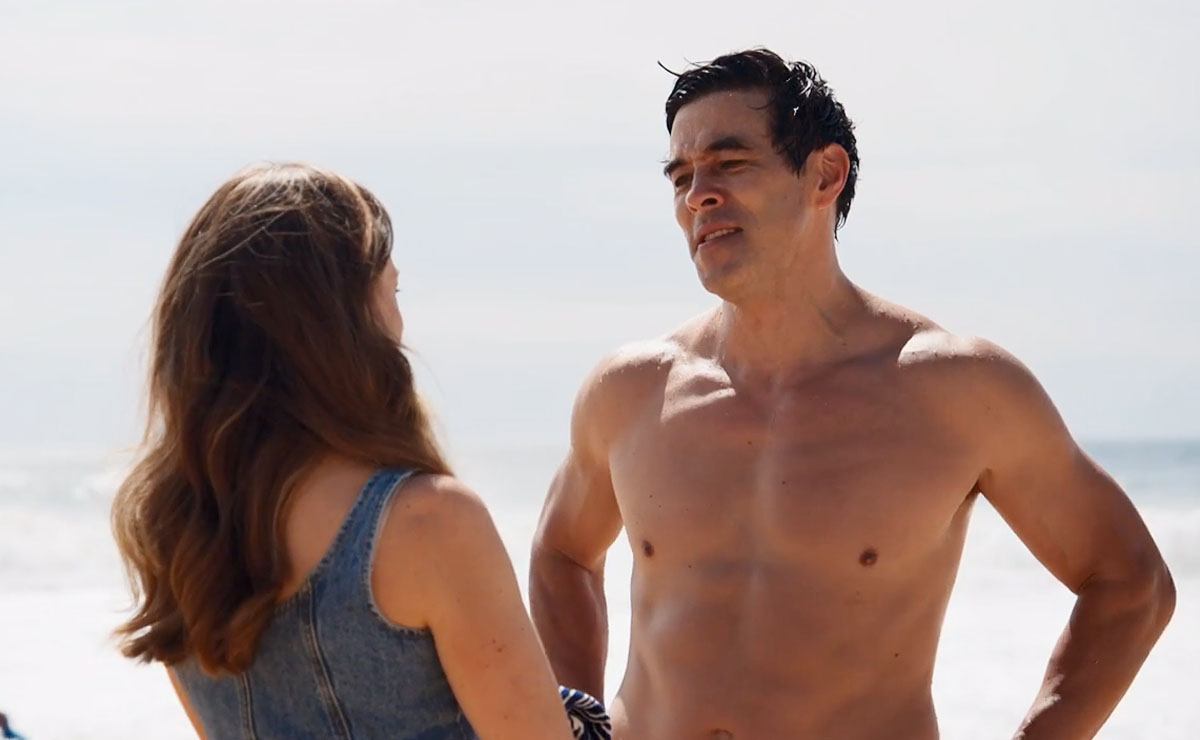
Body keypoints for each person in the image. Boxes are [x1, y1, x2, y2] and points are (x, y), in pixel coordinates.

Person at [529, 49, 1175, 739]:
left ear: (825, 175)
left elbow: (1130, 583)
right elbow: (562, 555)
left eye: (730, 163)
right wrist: (577, 725)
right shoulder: (632, 390)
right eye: (682, 176)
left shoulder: (955, 389)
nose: (697, 196)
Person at [112, 163, 576, 740]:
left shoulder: (176, 529)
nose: (400, 322)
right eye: (391, 291)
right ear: (339, 320)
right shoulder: (428, 521)